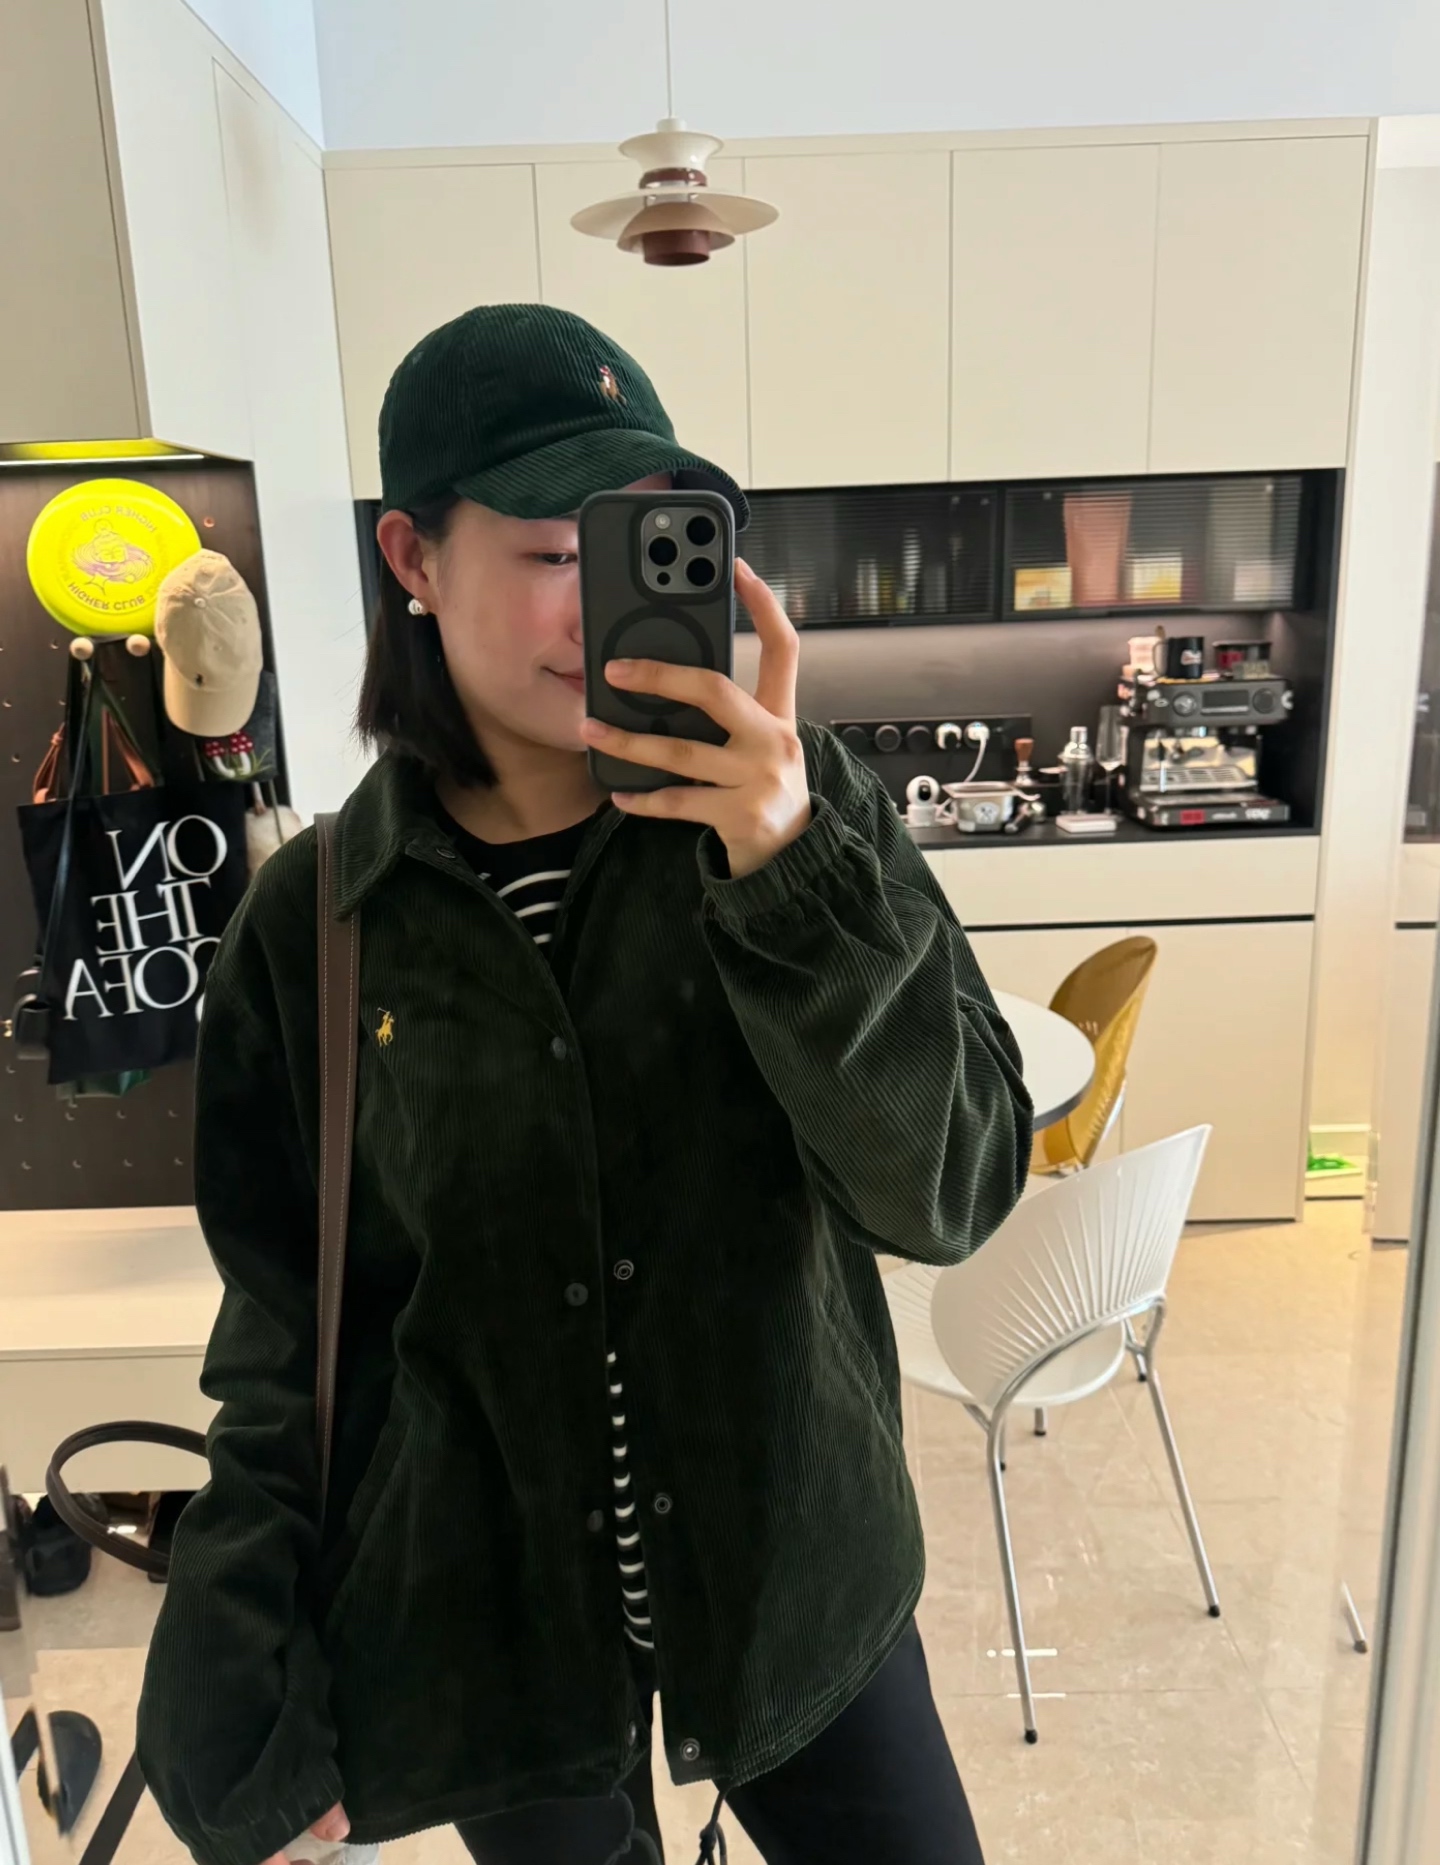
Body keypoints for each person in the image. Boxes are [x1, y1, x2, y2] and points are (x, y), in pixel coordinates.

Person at [137, 305, 1032, 1865]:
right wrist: (237, 1649)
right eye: (558, 551)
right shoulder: (318, 919)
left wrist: (787, 871)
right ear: (414, 559)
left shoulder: (800, 820)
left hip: (798, 1580)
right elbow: (291, 1329)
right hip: (497, 1637)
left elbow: (949, 1188)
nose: (602, 606)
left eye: (644, 545)